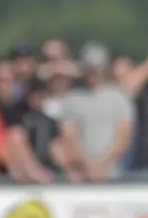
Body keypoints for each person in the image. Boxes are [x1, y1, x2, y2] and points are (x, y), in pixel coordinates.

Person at [57, 42, 134, 181]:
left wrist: (103, 164)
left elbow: (124, 138)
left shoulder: (120, 97)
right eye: (89, 69)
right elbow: (68, 136)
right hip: (81, 176)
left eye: (97, 69)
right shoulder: (71, 99)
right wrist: (87, 164)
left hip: (113, 176)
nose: (92, 74)